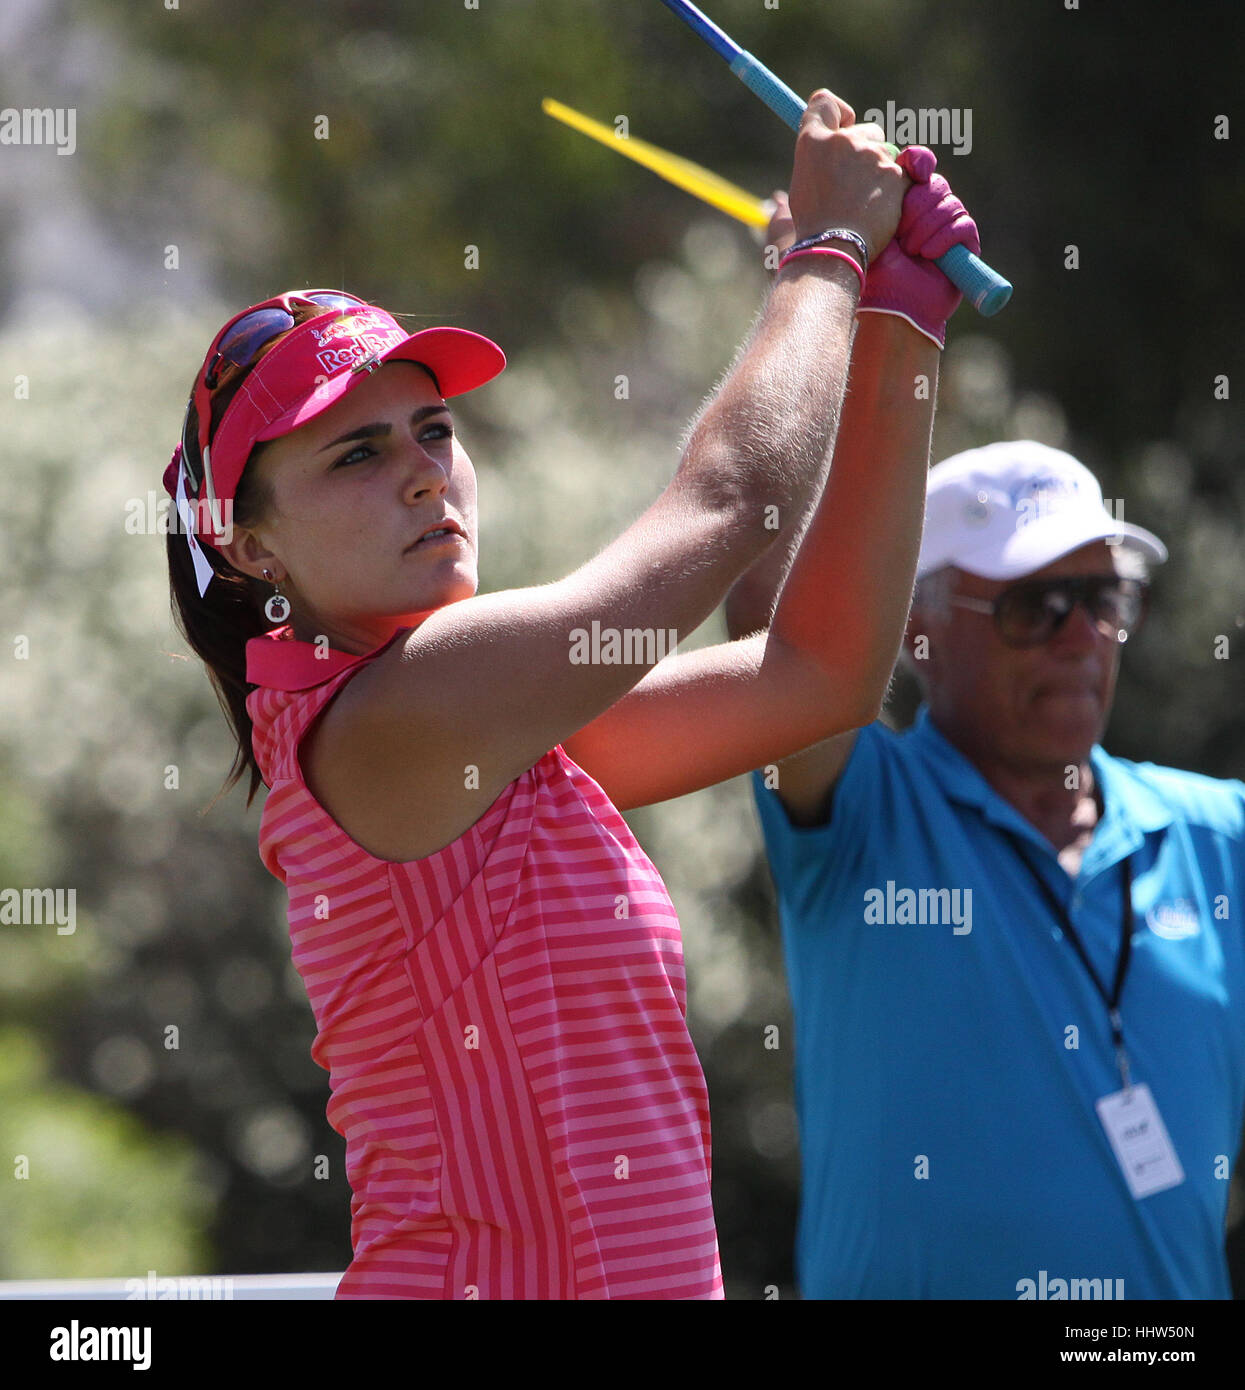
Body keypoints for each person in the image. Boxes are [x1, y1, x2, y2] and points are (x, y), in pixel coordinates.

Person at [163, 92, 977, 1298]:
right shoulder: (406, 710)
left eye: (433, 430)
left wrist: (898, 322)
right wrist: (826, 253)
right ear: (250, 549)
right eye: (356, 452)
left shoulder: (485, 729)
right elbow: (727, 507)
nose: (424, 476)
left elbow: (823, 676)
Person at [731, 438, 1245, 1299]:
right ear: (916, 632)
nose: (1082, 635)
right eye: (1037, 602)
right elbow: (771, 618)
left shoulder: (1218, 834)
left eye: (1103, 597)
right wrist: (865, 320)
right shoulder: (864, 811)